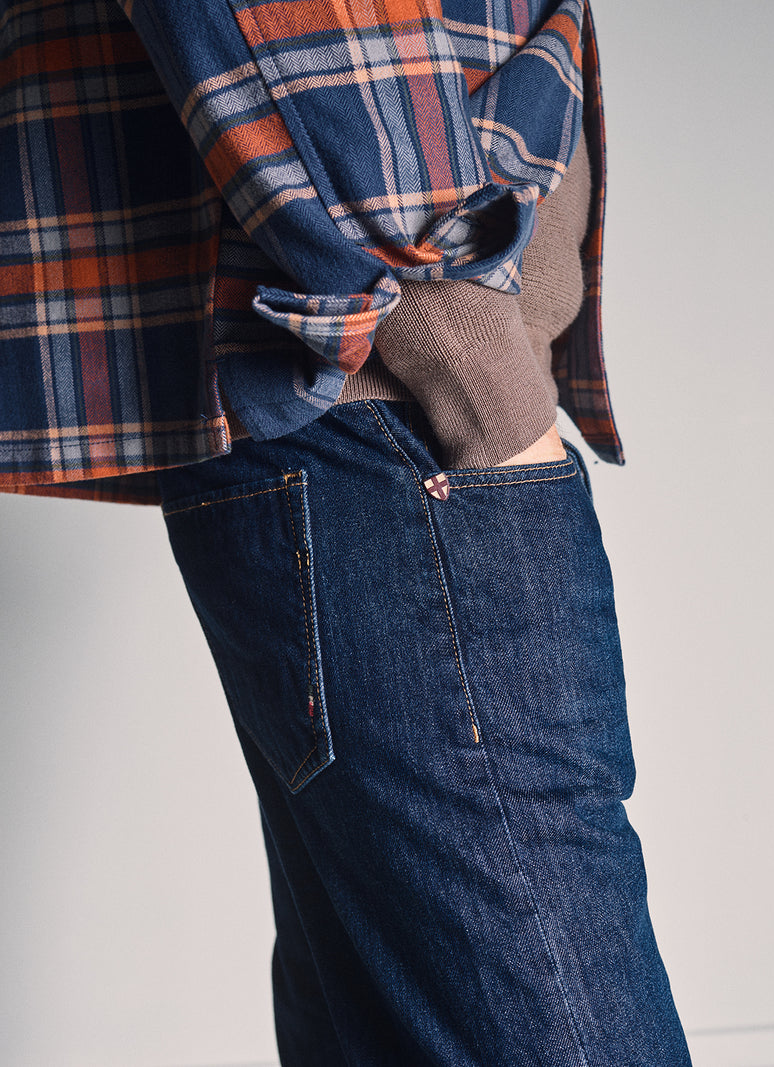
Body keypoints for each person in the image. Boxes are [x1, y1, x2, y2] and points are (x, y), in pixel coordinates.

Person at [1, 0, 692, 1062]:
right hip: (402, 410)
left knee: (389, 1014)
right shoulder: (434, 373)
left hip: (369, 412)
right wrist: (460, 354)